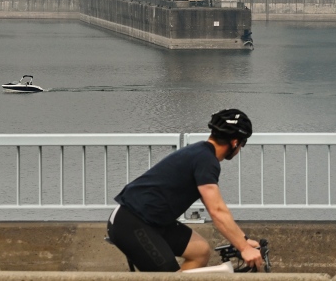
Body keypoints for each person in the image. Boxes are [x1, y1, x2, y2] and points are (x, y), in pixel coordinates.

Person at [106, 109, 262, 272]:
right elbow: (217, 211)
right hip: (131, 220)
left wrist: (243, 241)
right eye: (243, 144)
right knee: (167, 274)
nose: (240, 148)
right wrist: (244, 248)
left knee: (200, 252)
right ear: (235, 142)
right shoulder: (206, 161)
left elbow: (214, 206)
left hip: (154, 221)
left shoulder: (202, 153)